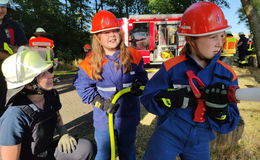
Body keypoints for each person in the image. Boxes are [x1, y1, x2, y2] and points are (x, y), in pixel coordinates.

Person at [140, 2, 240, 160]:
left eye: (222, 35)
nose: (220, 42)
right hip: (168, 135)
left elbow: (229, 123)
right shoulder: (172, 67)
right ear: (191, 39)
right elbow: (147, 98)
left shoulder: (227, 75)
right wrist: (168, 98)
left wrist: (221, 114)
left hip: (199, 141)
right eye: (213, 36)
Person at [73, 10, 148, 160]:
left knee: (127, 150)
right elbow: (82, 87)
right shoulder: (91, 62)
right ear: (98, 37)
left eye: (114, 30)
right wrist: (99, 102)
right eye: (106, 32)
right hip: (104, 119)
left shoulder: (133, 55)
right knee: (104, 153)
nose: (112, 35)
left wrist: (139, 84)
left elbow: (142, 76)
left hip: (128, 116)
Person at [0, 49, 94, 160]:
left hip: (45, 152)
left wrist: (63, 132)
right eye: (42, 73)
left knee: (85, 148)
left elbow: (55, 113)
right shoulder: (14, 117)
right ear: (29, 84)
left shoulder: (50, 95)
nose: (50, 75)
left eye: (49, 70)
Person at [0, 0, 27, 113]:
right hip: (11, 64)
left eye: (3, 7)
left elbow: (24, 46)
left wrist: (19, 49)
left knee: (9, 106)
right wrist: (11, 56)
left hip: (10, 75)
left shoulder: (13, 25)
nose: (1, 10)